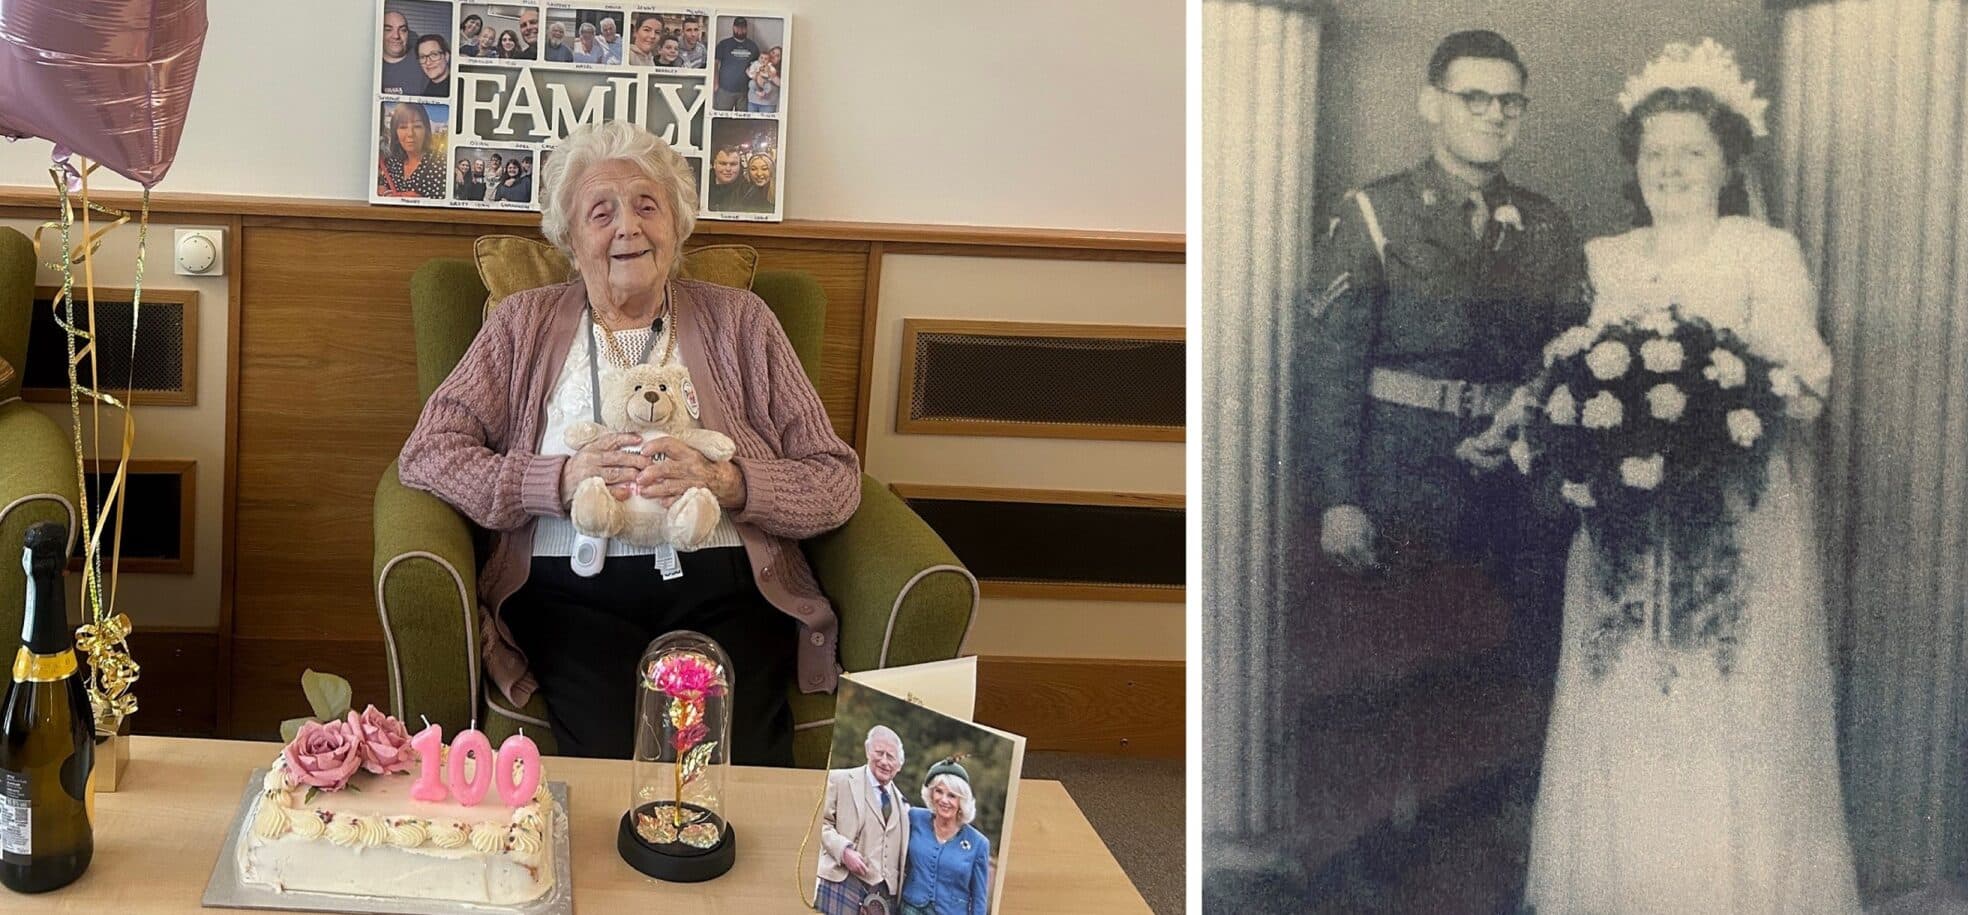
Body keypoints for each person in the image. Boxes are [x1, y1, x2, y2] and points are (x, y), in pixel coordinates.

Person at [1486, 42, 1862, 913]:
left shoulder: (1764, 250)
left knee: (1726, 696)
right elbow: (1572, 376)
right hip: (1623, 523)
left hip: (1735, 521)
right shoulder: (1610, 257)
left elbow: (1806, 384)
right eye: (1655, 153)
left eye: (1691, 152)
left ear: (1727, 161)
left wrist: (1719, 402)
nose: (1672, 169)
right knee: (1627, 693)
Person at [396, 120, 859, 765]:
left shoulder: (743, 322)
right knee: (612, 768)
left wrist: (733, 483)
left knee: (732, 765)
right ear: (570, 238)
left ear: (677, 225)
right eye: (601, 211)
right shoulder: (519, 325)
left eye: (648, 206)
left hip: (722, 585)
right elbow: (429, 452)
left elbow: (834, 478)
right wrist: (552, 480)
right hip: (571, 592)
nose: (628, 227)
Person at [817, 726, 910, 915]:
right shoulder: (838, 779)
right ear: (868, 751)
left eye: (890, 756)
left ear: (899, 766)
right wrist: (843, 851)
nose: (884, 761)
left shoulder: (904, 806)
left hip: (883, 899)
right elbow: (820, 823)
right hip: (840, 883)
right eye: (879, 753)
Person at [901, 759, 991, 915]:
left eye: (952, 795)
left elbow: (979, 898)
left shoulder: (978, 843)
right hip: (910, 909)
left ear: (961, 800)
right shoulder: (914, 818)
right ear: (931, 793)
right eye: (939, 791)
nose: (944, 800)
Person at [377, 101, 446, 199]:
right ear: (395, 132)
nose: (410, 133)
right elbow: (382, 187)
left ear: (426, 130)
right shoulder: (392, 162)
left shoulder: (441, 164)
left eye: (417, 126)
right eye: (403, 127)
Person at [713, 17, 762, 111]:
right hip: (725, 89)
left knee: (742, 122)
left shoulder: (753, 46)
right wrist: (715, 83)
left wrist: (758, 87)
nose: (740, 30)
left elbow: (757, 67)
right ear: (733, 28)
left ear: (746, 29)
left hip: (745, 92)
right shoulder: (724, 44)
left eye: (743, 27)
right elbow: (715, 64)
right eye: (738, 27)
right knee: (721, 120)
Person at [379, 9, 424, 95]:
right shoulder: (370, 63)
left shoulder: (424, 60)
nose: (396, 36)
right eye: (388, 30)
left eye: (402, 30)